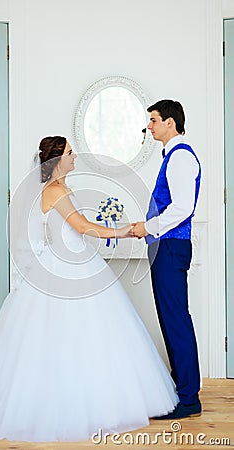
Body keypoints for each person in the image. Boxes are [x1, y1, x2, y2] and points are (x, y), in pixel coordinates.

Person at [0, 136, 177, 442]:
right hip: (68, 268)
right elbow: (83, 227)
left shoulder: (57, 189)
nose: (75, 158)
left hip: (78, 263)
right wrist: (125, 230)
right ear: (58, 159)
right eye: (71, 153)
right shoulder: (56, 190)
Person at [133, 100, 202, 419]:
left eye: (154, 120)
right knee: (170, 318)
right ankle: (181, 390)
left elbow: (182, 207)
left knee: (176, 319)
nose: (150, 126)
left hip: (172, 247)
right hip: (166, 246)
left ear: (171, 123)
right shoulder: (173, 156)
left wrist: (147, 227)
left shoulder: (181, 157)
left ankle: (188, 398)